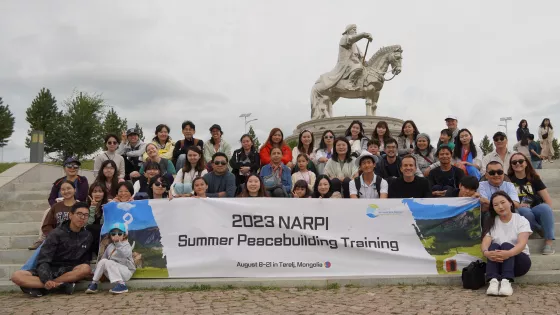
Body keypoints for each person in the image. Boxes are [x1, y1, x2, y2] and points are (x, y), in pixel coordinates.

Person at [12, 202, 93, 297]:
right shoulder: (56, 234)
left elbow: (85, 260)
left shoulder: (87, 236)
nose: (82, 217)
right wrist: (46, 279)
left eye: (86, 215)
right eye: (79, 214)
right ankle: (59, 286)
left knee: (85, 269)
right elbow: (43, 260)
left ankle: (45, 286)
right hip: (49, 268)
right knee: (17, 276)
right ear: (70, 215)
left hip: (68, 272)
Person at [482, 191, 532, 296]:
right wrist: (486, 253)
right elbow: (486, 242)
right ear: (493, 208)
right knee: (493, 246)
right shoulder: (492, 221)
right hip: (499, 262)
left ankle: (506, 282)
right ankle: (493, 282)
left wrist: (508, 253)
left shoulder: (521, 220)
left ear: (510, 202)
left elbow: (521, 244)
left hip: (519, 263)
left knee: (506, 245)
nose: (500, 206)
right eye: (496, 205)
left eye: (503, 202)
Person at [508, 153, 555, 255]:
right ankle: (538, 228)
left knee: (545, 208)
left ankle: (549, 242)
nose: (517, 164)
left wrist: (548, 215)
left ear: (526, 163)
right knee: (524, 210)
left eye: (520, 161)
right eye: (514, 162)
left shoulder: (534, 178)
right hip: (519, 210)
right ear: (511, 165)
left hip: (536, 209)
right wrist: (518, 205)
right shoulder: (508, 181)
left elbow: (547, 199)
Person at [86, 223, 135, 294]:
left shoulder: (126, 245)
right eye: (113, 234)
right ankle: (94, 283)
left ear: (124, 235)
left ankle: (122, 285)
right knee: (103, 261)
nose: (116, 235)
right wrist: (95, 271)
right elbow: (103, 260)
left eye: (120, 233)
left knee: (109, 262)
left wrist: (118, 243)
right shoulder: (110, 246)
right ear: (110, 235)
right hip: (113, 272)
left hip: (126, 272)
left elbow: (125, 254)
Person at [86, 182, 108, 258]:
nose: (97, 194)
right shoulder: (86, 206)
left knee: (99, 228)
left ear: (104, 193)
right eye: (95, 192)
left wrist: (105, 210)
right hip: (89, 236)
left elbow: (104, 224)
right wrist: (92, 207)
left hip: (103, 235)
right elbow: (88, 223)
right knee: (90, 227)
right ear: (90, 193)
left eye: (100, 191)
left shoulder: (107, 205)